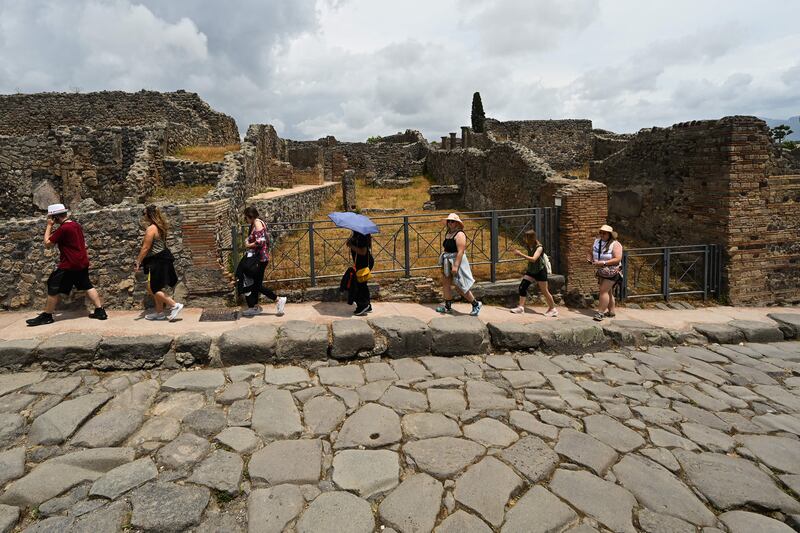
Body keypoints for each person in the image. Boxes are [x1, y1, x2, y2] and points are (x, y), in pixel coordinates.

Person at [26, 204, 107, 326]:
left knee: (53, 285)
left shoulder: (64, 228)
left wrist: (49, 226)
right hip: (81, 261)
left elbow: (47, 243)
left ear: (55, 217)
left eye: (51, 217)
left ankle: (47, 316)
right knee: (87, 284)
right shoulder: (75, 225)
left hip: (69, 264)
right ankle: (100, 311)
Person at [134, 205, 183, 322]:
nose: (143, 216)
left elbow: (145, 248)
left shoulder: (151, 229)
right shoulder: (161, 226)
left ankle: (174, 305)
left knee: (153, 288)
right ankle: (160, 312)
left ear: (149, 215)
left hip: (157, 261)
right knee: (153, 287)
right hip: (162, 258)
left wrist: (138, 261)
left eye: (144, 213)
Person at [236, 206, 287, 317]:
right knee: (255, 284)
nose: (246, 220)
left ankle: (278, 299)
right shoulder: (257, 222)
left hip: (259, 259)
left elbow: (261, 241)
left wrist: (248, 244)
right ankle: (254, 307)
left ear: (250, 216)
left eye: (246, 218)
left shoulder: (257, 223)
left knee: (257, 285)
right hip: (260, 258)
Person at [436, 213, 482, 316]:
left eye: (452, 221)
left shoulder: (460, 234)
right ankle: (447, 307)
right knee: (446, 284)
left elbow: (460, 251)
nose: (450, 223)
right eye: (449, 221)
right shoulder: (448, 234)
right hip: (447, 261)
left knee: (460, 285)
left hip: (456, 261)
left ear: (457, 223)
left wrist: (456, 266)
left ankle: (475, 304)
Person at [511, 230, 558, 316]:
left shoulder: (539, 247)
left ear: (531, 238)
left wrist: (520, 254)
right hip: (531, 270)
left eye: (525, 237)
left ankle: (553, 309)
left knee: (544, 291)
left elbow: (533, 259)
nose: (524, 239)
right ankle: (521, 308)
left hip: (540, 271)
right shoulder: (528, 245)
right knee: (522, 286)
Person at [589, 224, 623, 321]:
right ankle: (611, 312)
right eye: (601, 233)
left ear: (610, 234)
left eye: (604, 233)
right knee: (608, 291)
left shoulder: (615, 244)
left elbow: (617, 259)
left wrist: (603, 262)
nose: (602, 235)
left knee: (603, 291)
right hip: (602, 270)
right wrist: (590, 259)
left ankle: (600, 313)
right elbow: (590, 252)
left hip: (612, 271)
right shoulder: (597, 241)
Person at [346, 231, 373, 316]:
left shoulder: (362, 234)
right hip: (360, 263)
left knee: (360, 285)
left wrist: (351, 246)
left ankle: (362, 305)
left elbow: (363, 252)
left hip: (364, 263)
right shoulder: (356, 234)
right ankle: (367, 305)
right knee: (362, 284)